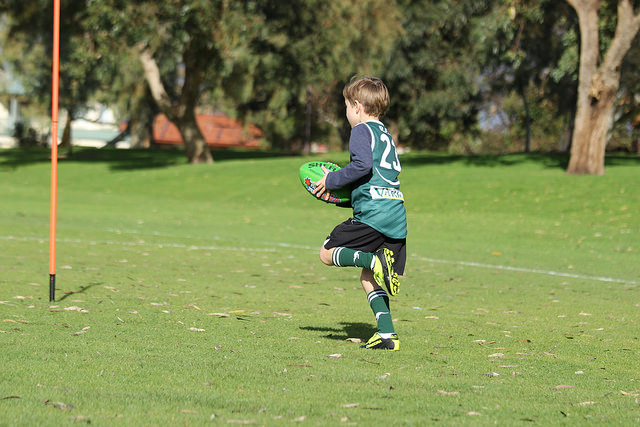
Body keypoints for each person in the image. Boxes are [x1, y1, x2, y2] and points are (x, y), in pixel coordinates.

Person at [313, 76, 407, 351]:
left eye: (345, 106)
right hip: (396, 216)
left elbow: (361, 166)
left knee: (327, 253)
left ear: (356, 106)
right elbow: (375, 176)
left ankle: (374, 258)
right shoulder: (384, 134)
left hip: (373, 214)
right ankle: (387, 335)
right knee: (368, 277)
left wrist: (331, 180)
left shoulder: (361, 131)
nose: (346, 113)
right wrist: (347, 198)